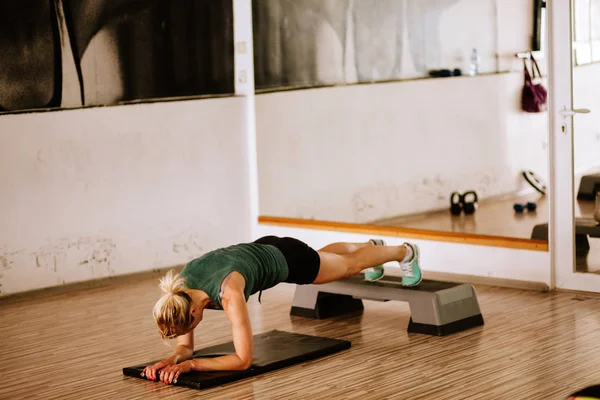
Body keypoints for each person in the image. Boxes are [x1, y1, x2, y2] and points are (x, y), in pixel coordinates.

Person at [143, 236, 422, 384]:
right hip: (267, 247)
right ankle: (371, 247)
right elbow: (186, 348)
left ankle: (404, 252)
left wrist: (191, 365)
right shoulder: (181, 292)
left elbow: (242, 360)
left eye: (190, 329)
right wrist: (172, 359)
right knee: (328, 258)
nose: (189, 334)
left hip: (289, 259)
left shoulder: (229, 294)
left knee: (347, 267)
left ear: (192, 312)